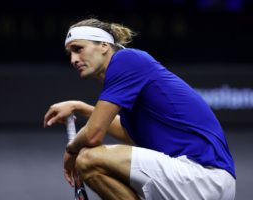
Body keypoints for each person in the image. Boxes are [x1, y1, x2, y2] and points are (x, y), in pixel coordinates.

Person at [43, 18, 236, 200]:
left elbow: (93, 134)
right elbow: (128, 134)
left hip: (202, 176)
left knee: (87, 159)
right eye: (70, 53)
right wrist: (80, 107)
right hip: (207, 181)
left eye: (78, 49)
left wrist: (71, 151)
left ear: (104, 46)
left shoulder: (126, 60)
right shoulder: (127, 77)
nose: (73, 59)